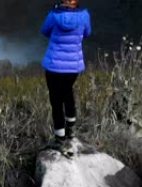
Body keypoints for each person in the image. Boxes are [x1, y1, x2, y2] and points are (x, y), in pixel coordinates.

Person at [41, 0, 91, 145]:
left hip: (53, 65)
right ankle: (71, 128)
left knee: (56, 100)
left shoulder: (54, 15)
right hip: (73, 66)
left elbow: (44, 31)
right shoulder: (84, 16)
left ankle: (60, 138)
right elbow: (87, 33)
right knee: (67, 92)